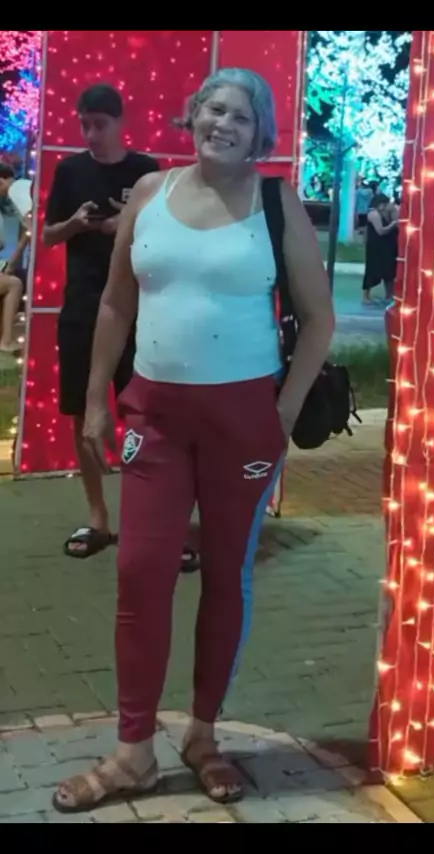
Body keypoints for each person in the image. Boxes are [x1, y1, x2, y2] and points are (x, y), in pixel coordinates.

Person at [52, 67, 334, 813]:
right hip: (156, 418)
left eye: (241, 115)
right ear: (193, 115)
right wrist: (97, 400)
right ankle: (134, 751)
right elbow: (116, 303)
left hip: (244, 423)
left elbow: (319, 320)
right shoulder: (150, 193)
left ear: (260, 133)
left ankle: (202, 734)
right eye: (214, 108)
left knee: (225, 577)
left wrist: (281, 415)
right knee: (140, 572)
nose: (223, 123)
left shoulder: (275, 202)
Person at [43, 83, 199, 570]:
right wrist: (76, 224)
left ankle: (149, 522)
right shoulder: (70, 171)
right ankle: (98, 518)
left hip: (139, 309)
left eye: (99, 125)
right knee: (82, 413)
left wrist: (124, 227)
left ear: (119, 122)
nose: (91, 134)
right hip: (83, 308)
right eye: (84, 125)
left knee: (146, 417)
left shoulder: (146, 171)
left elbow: (167, 235)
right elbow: (47, 236)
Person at [0, 163, 31, 353]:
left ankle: (6, 338)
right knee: (15, 282)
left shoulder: (17, 190)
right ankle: (6, 340)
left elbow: (31, 225)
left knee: (15, 280)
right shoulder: (22, 188)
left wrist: (13, 260)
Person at [362, 193, 399, 305]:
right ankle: (366, 296)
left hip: (386, 246)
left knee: (388, 271)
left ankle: (389, 294)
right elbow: (380, 231)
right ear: (381, 204)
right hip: (376, 246)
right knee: (372, 269)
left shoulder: (386, 213)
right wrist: (393, 224)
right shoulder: (374, 214)